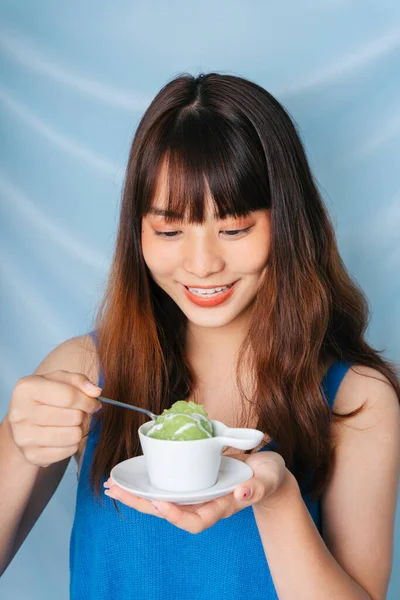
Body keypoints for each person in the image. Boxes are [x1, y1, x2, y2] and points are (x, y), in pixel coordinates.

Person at [1, 72, 399, 600]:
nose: (202, 264)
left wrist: (276, 497)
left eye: (234, 229)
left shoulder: (356, 400)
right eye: (168, 231)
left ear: (288, 223)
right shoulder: (84, 370)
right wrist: (17, 444)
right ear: (136, 231)